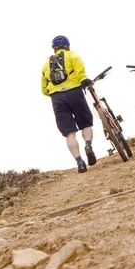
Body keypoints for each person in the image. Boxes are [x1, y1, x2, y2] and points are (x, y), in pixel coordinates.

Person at [41, 35, 96, 173]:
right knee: (85, 123)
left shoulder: (46, 65)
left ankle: (80, 162)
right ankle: (88, 145)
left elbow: (44, 89)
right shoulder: (72, 55)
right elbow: (79, 67)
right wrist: (83, 79)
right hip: (75, 93)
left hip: (57, 98)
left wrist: (56, 93)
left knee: (69, 133)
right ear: (67, 46)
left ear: (54, 49)